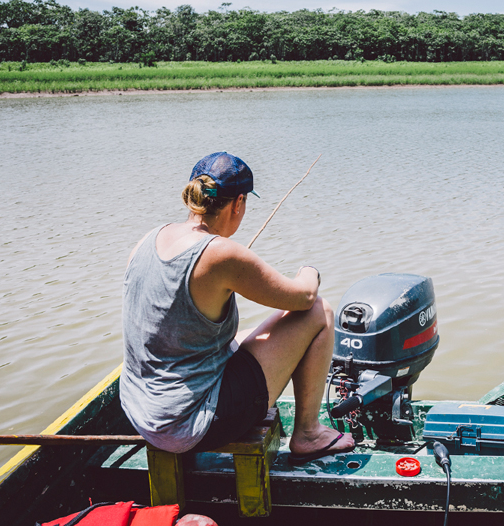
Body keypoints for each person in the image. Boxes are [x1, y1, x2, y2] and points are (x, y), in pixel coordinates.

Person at [120, 152, 354, 464]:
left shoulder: (149, 238)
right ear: (238, 203)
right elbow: (304, 298)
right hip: (189, 425)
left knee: (243, 335)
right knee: (319, 313)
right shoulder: (221, 254)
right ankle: (309, 433)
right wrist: (309, 271)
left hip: (140, 411)